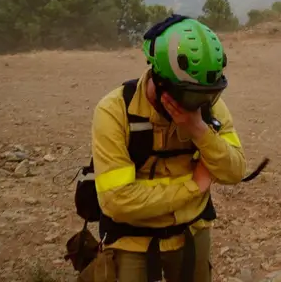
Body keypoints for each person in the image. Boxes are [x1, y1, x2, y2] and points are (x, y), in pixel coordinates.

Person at [90, 15, 247, 282]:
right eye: (189, 95)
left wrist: (198, 129)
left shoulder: (206, 106)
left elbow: (235, 171)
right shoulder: (114, 111)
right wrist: (194, 187)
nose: (197, 104)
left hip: (191, 231)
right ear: (158, 79)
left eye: (208, 95)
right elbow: (117, 201)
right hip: (132, 239)